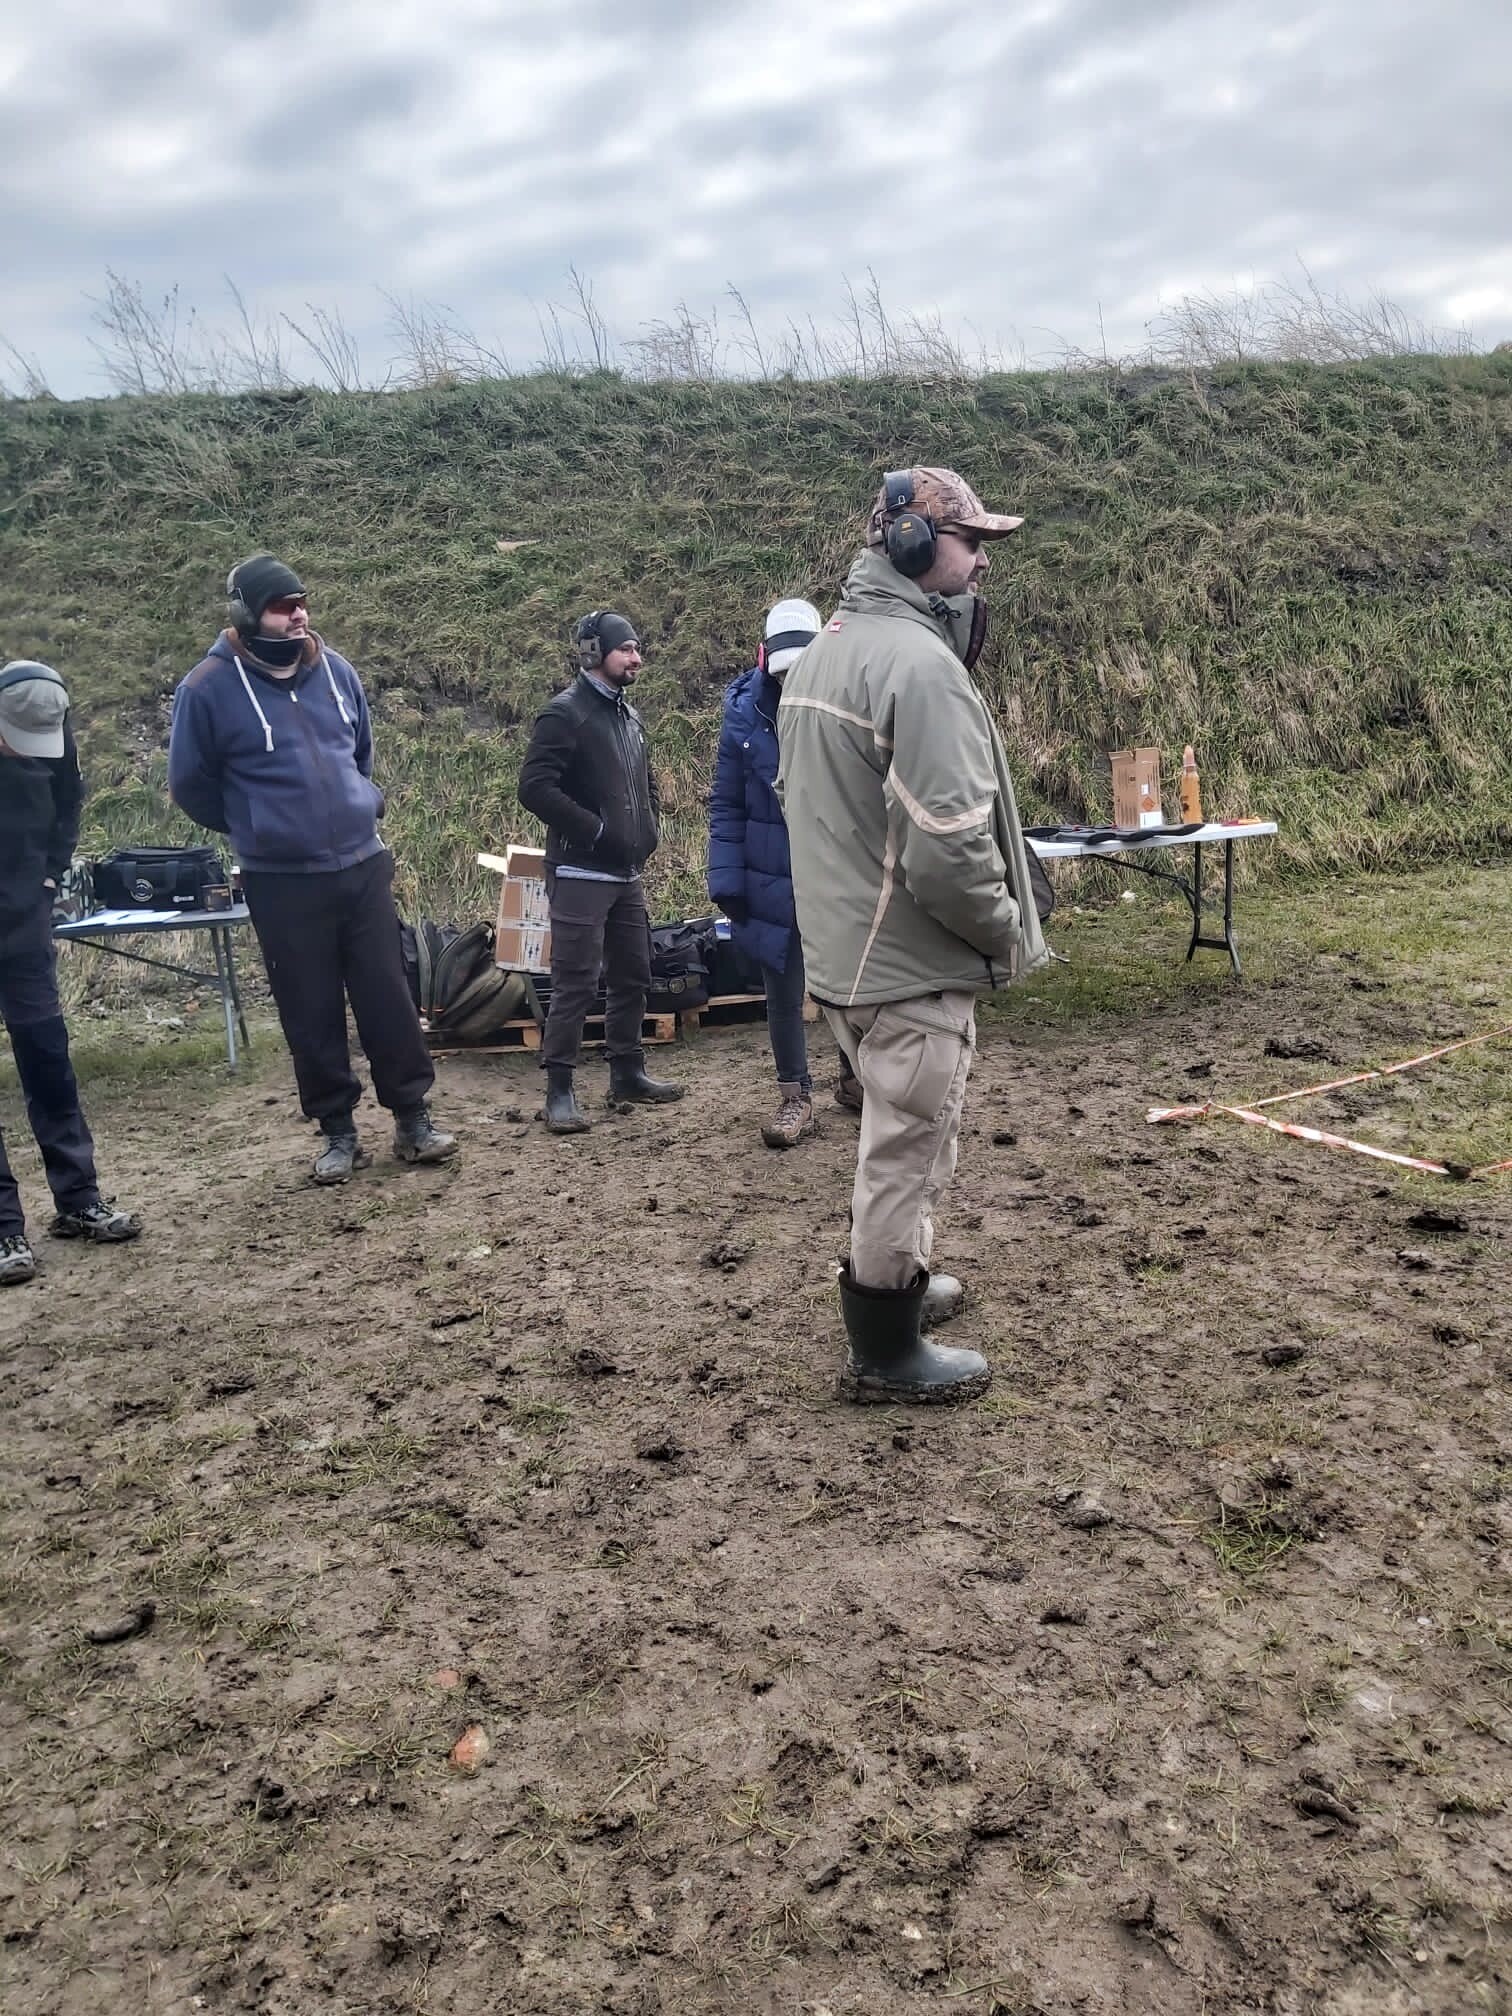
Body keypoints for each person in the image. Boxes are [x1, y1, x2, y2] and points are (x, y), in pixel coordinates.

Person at [776, 468, 1051, 1405]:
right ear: (914, 544)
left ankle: (900, 1282)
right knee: (907, 1150)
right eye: (971, 541)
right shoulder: (921, 669)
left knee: (898, 1139)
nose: (982, 561)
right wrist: (1007, 930)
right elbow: (948, 851)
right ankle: (885, 1351)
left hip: (847, 955)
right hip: (907, 961)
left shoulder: (828, 651)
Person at [167, 556, 457, 1184]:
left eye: (301, 602)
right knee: (309, 1006)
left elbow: (360, 754)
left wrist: (361, 802)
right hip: (281, 880)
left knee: (388, 996)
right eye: (282, 606)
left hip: (361, 864)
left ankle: (413, 1119)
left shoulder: (337, 671)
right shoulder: (206, 688)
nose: (298, 615)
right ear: (247, 613)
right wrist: (258, 825)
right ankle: (338, 1132)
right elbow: (190, 785)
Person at [517, 610, 685, 1134]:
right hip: (580, 872)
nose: (637, 658)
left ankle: (627, 1073)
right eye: (626, 649)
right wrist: (594, 831)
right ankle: (559, 1091)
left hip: (626, 873)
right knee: (575, 982)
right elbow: (535, 788)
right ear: (594, 652)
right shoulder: (563, 714)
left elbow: (645, 782)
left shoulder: (629, 717)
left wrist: (647, 828)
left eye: (638, 648)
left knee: (634, 973)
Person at [0, 662, 141, 1284]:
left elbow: (67, 804)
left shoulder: (51, 728)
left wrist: (51, 876)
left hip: (23, 921)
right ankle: (4, 1231)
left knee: (47, 1055)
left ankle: (78, 1199)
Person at [706, 598, 861, 1147]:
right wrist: (727, 878)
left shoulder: (847, 697)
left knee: (849, 983)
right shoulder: (743, 715)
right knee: (783, 987)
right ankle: (795, 1095)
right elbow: (727, 801)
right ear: (761, 657)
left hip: (835, 867)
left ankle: (854, 1080)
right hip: (770, 871)